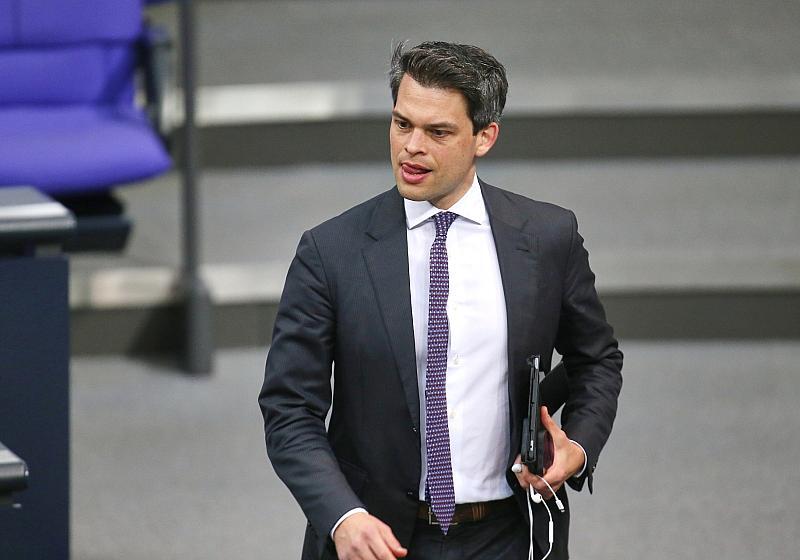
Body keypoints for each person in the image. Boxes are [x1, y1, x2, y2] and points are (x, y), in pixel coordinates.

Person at [259, 41, 623, 560]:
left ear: (484, 137)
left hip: (510, 535)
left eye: (438, 132)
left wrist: (577, 447)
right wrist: (342, 515)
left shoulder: (548, 237)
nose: (412, 147)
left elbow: (597, 360)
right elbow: (289, 407)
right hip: (378, 539)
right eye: (402, 124)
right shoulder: (330, 252)